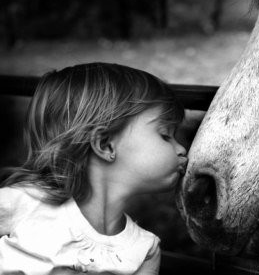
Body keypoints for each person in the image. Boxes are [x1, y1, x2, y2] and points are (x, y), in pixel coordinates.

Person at [0, 63, 188, 274]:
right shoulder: (26, 202)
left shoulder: (144, 250)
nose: (181, 149)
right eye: (165, 135)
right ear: (105, 145)